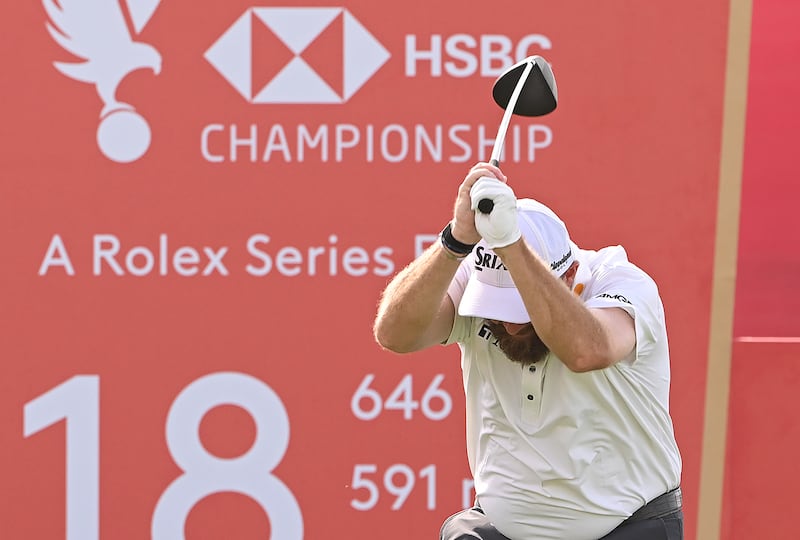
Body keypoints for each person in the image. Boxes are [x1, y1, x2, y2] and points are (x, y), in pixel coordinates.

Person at [373, 162, 683, 540]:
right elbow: (394, 335)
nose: (510, 325)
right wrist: (456, 241)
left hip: (629, 527)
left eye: (522, 309)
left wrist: (511, 245)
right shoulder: (475, 277)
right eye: (497, 309)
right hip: (500, 528)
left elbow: (588, 350)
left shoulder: (622, 282)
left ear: (569, 278)